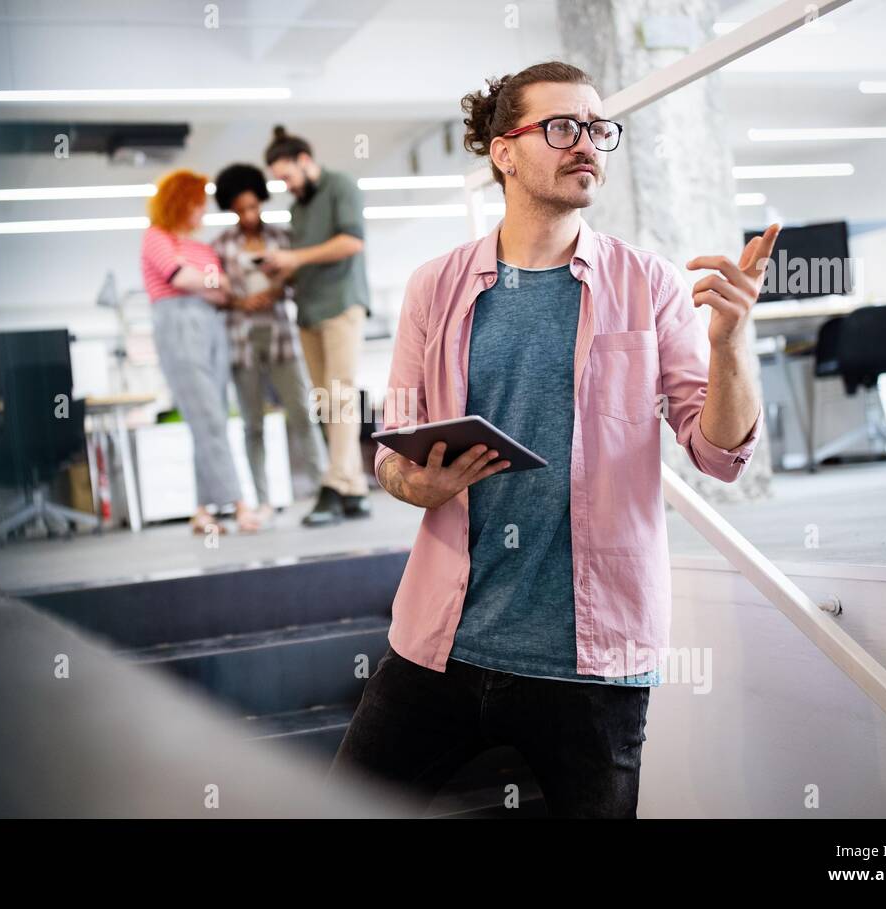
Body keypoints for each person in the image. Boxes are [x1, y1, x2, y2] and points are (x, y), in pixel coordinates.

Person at [327, 61, 776, 817]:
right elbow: (392, 452)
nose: (588, 145)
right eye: (563, 127)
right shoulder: (433, 286)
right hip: (442, 641)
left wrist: (730, 345)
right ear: (504, 151)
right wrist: (417, 484)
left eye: (599, 130)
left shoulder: (649, 284)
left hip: (592, 664)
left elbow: (717, 451)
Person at [139, 168, 263, 535]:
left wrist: (209, 283)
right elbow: (181, 278)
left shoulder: (201, 248)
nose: (202, 212)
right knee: (208, 417)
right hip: (177, 326)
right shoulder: (156, 237)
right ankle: (239, 505)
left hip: (211, 326)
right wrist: (211, 282)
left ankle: (202, 511)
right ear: (179, 202)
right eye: (196, 204)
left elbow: (222, 293)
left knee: (212, 420)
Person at [261, 126, 373, 527]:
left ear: (305, 161)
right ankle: (356, 491)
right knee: (327, 402)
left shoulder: (342, 185)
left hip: (341, 304)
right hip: (307, 309)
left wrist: (296, 258)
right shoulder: (299, 208)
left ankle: (334, 485)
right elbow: (303, 260)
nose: (286, 185)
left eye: (287, 176)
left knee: (340, 397)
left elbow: (351, 242)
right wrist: (281, 267)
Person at [211, 162, 327, 523]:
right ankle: (262, 500)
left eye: (253, 206)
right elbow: (214, 292)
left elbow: (299, 279)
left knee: (301, 415)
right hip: (241, 340)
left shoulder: (282, 238)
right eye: (240, 208)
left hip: (280, 336)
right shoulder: (220, 247)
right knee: (252, 424)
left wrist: (277, 289)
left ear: (260, 200)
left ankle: (325, 488)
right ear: (230, 207)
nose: (248, 214)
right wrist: (240, 301)